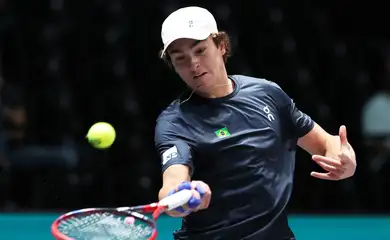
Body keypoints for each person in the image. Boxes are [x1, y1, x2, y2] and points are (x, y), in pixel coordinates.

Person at [154, 6, 357, 240]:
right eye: (181, 59)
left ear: (221, 46)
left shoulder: (267, 94)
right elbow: (171, 184)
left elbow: (326, 144)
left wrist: (344, 160)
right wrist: (182, 198)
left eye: (200, 50)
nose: (193, 64)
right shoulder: (174, 122)